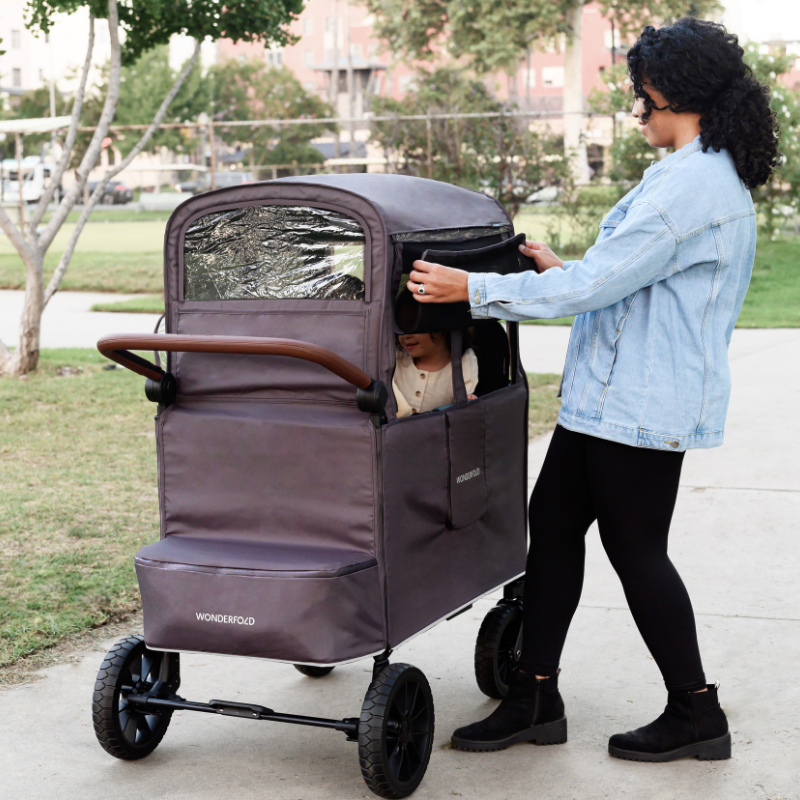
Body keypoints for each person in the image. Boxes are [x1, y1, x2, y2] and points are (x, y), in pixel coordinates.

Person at [406, 18, 779, 762]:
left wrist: (469, 288)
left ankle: (696, 712)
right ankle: (534, 695)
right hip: (608, 401)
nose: (637, 113)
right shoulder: (690, 170)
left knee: (637, 551)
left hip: (640, 408)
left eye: (641, 100)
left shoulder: (695, 184)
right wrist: (556, 267)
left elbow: (596, 289)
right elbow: (626, 282)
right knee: (553, 530)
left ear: (672, 95)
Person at [393, 332, 478, 417]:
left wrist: (468, 399)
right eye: (401, 329)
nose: (405, 336)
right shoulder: (395, 358)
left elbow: (462, 408)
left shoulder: (462, 363)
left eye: (415, 327)